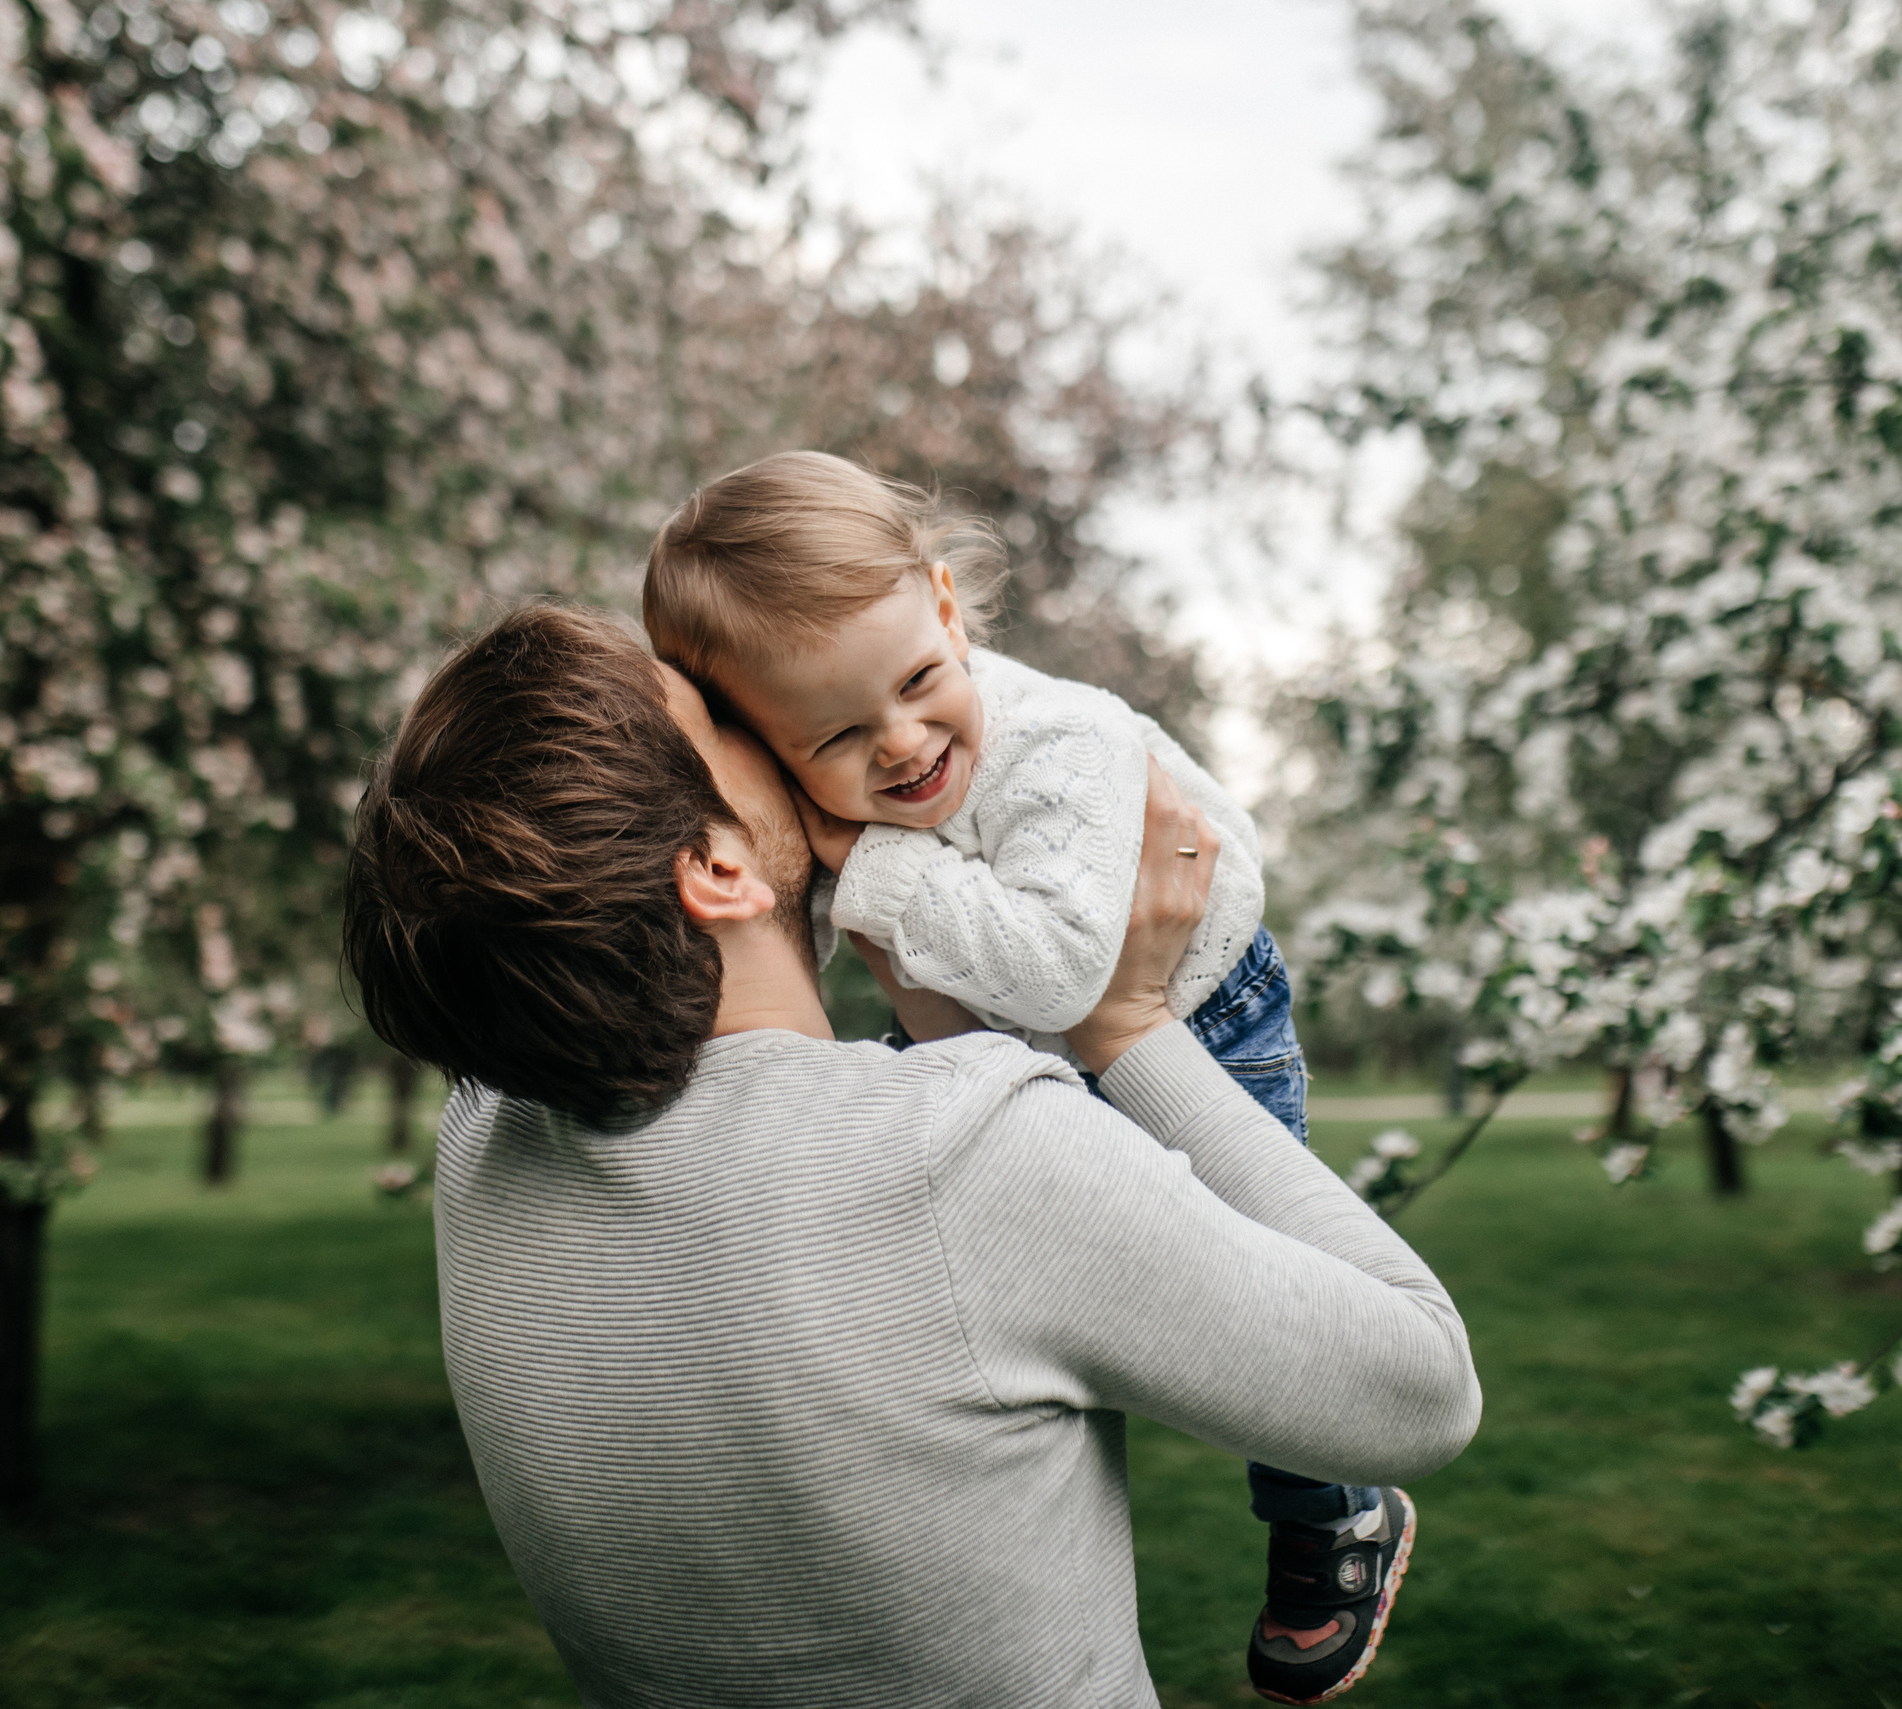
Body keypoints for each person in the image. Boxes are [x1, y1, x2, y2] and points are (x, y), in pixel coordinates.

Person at [341, 601, 1481, 1708]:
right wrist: (1129, 1030)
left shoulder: (485, 1152)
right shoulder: (961, 1150)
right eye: (721, 715)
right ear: (717, 868)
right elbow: (1420, 1392)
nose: (772, 716)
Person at [640, 451, 1378, 1690]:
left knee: (1283, 1293)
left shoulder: (1064, 743)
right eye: (834, 735)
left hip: (1205, 1020)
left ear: (945, 602)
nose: (904, 743)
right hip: (1027, 1035)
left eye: (922, 681)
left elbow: (1060, 974)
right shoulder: (857, 779)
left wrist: (869, 872)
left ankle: (1334, 1511)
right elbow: (813, 948)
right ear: (767, 753)